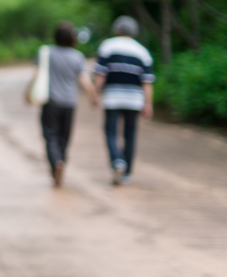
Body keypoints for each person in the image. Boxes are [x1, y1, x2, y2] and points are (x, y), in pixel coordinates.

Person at [34, 21, 98, 187]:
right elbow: (84, 79)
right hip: (69, 103)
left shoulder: (46, 52)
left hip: (51, 101)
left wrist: (28, 92)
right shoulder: (77, 56)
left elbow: (35, 75)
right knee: (64, 137)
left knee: (50, 136)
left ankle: (56, 162)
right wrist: (93, 95)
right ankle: (61, 161)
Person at [93, 16, 155, 186]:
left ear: (117, 30)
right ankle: (127, 173)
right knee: (130, 134)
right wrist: (148, 104)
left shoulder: (108, 46)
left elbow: (101, 75)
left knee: (110, 131)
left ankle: (117, 161)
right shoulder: (143, 52)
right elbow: (147, 82)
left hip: (113, 97)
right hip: (134, 100)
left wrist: (94, 93)